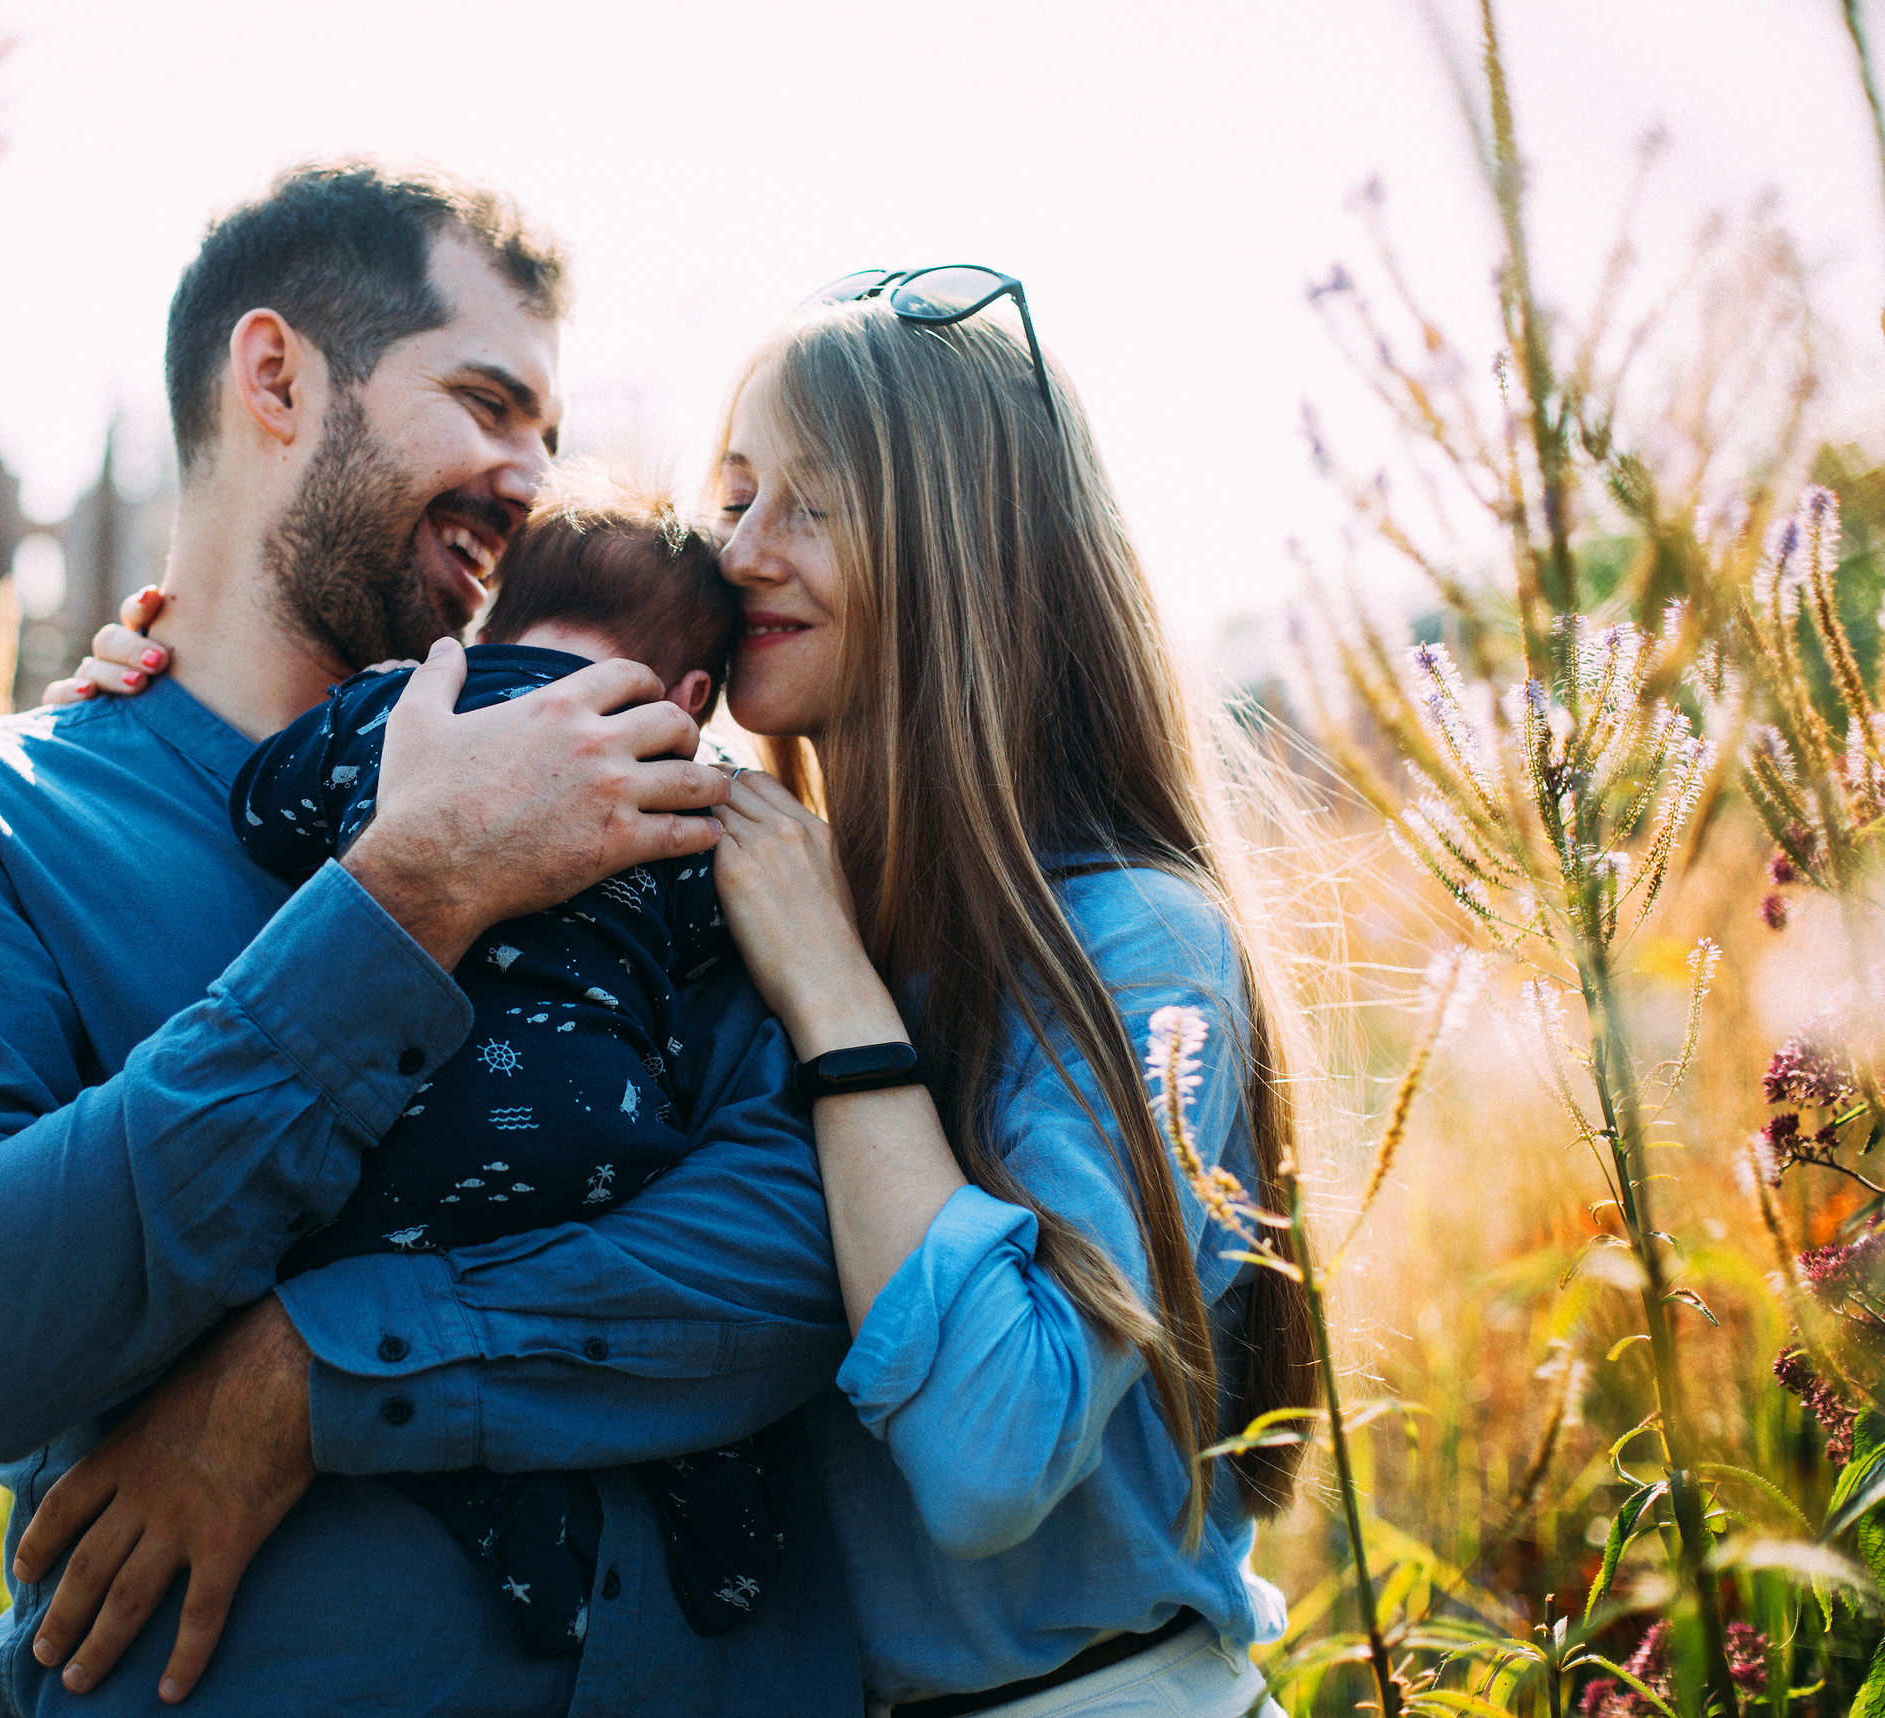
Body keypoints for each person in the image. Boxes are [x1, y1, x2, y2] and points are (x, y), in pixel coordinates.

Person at [65, 265, 1318, 1718]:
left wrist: (836, 995)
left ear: (968, 547)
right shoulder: (746, 878)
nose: (739, 553)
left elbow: (991, 1458)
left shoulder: (1133, 946)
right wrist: (171, 686)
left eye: (813, 504)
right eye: (734, 495)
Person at [0, 160, 861, 1718]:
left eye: (547, 437)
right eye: (489, 404)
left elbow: (805, 1250)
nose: (529, 478)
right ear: (278, 375)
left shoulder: (643, 789)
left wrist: (310, 1372)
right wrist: (413, 890)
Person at [236, 486, 779, 1656]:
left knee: (399, 1289)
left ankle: (507, 1530)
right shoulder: (678, 774)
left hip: (396, 1132)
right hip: (602, 1134)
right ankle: (710, 1482)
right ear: (692, 698)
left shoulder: (396, 704)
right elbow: (718, 936)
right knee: (623, 1310)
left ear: (489, 623)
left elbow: (262, 805)